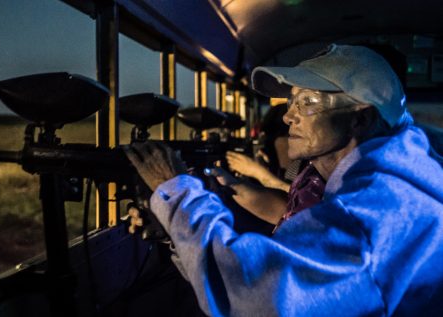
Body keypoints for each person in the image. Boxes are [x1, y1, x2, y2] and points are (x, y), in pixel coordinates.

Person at [126, 44, 443, 316]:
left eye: (308, 102)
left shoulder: (372, 211)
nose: (289, 116)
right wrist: (176, 229)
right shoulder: (398, 179)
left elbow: (250, 295)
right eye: (292, 102)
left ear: (361, 117)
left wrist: (176, 191)